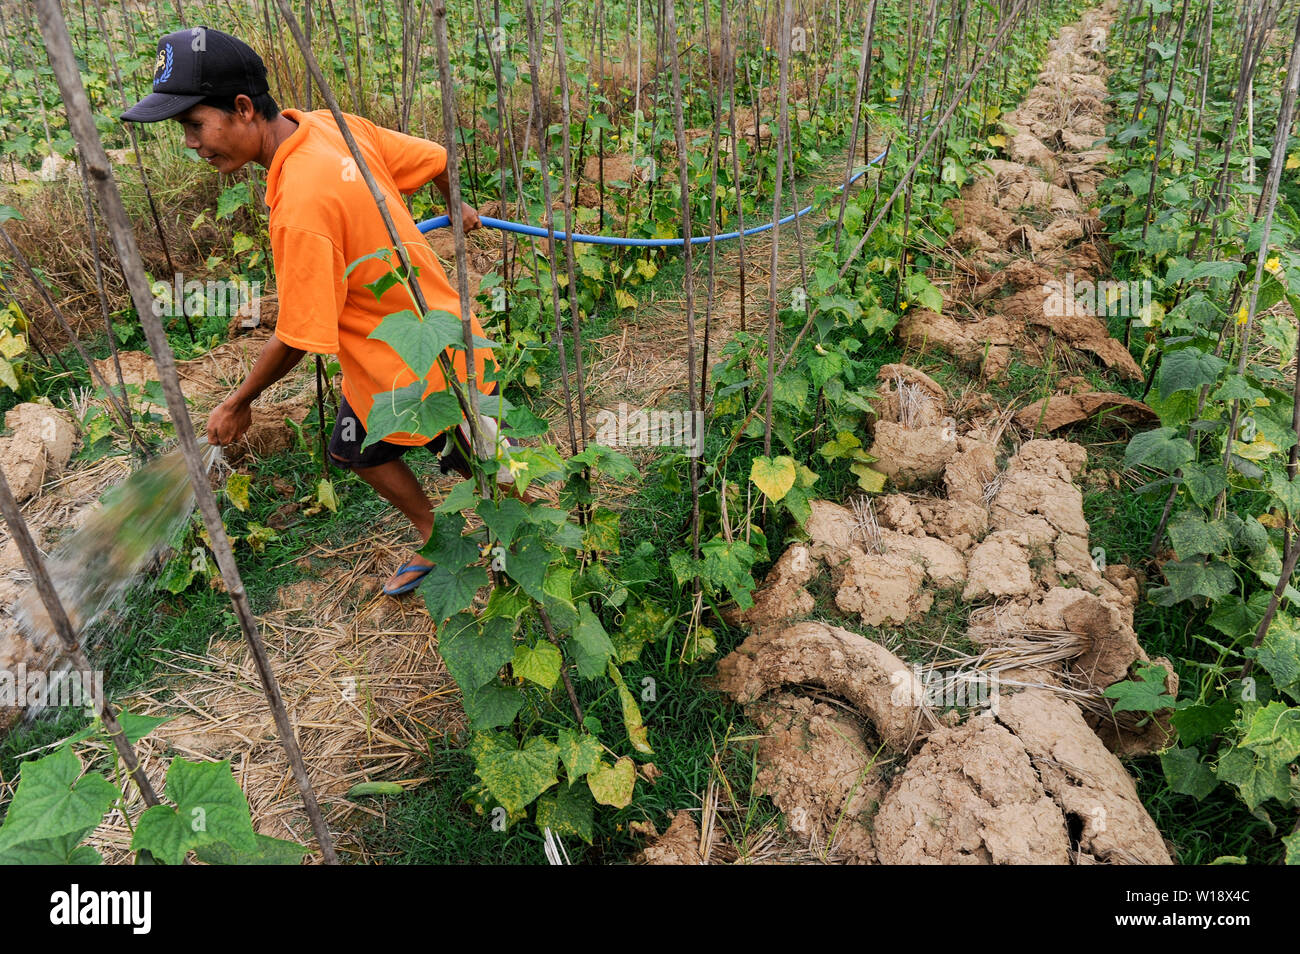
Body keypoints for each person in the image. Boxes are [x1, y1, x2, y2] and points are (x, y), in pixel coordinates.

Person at [122, 26, 502, 596]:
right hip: (385, 357)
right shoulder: (327, 125)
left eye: (195, 125)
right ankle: (438, 537)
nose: (191, 143)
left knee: (490, 468)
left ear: (243, 108)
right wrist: (455, 200)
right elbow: (433, 157)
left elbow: (299, 336)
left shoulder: (299, 203)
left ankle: (526, 558)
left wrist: (237, 402)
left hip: (425, 359)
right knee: (356, 448)